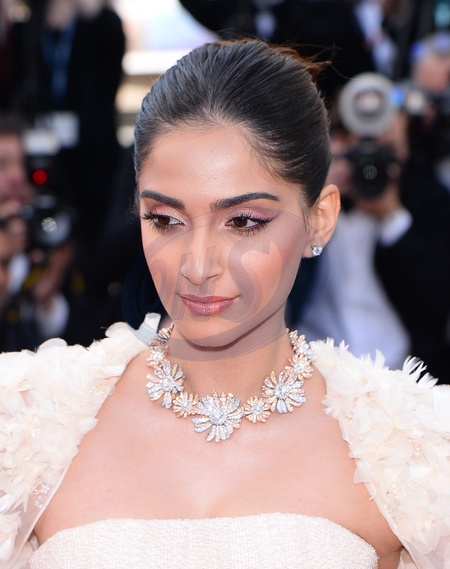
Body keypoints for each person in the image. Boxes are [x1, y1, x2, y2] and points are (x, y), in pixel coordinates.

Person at [0, 39, 449, 569]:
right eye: (165, 220)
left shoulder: (415, 451)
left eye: (243, 222)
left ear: (320, 218)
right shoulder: (24, 421)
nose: (197, 264)